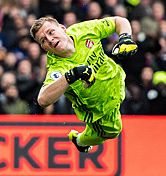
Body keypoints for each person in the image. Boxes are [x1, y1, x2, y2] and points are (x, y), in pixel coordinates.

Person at [30, 16, 137, 153]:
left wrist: (125, 38)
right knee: (113, 131)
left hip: (117, 79)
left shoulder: (83, 30)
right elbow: (43, 100)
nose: (50, 40)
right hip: (100, 109)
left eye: (51, 32)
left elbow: (119, 21)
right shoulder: (57, 67)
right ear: (44, 48)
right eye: (43, 40)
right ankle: (80, 140)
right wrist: (71, 75)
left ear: (63, 28)